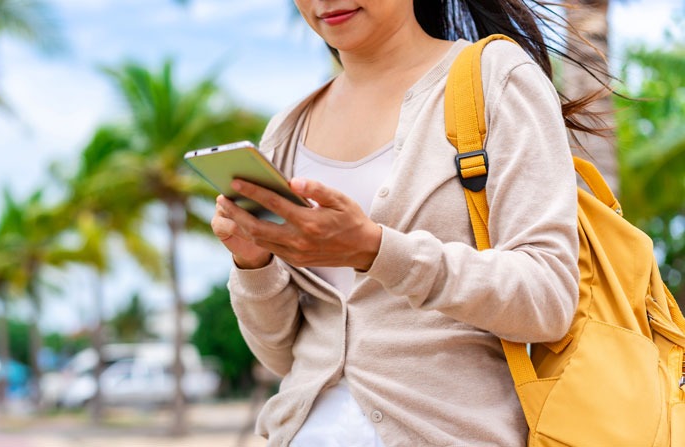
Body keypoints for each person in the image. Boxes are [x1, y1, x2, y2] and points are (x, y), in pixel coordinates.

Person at [210, 1, 608, 445]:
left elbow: (548, 301)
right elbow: (280, 358)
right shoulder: (287, 129)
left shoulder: (495, 77)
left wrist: (377, 251)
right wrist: (254, 265)